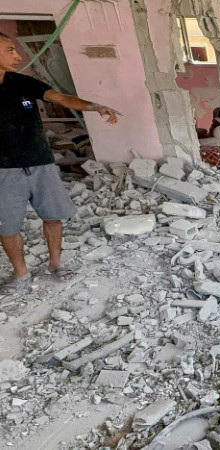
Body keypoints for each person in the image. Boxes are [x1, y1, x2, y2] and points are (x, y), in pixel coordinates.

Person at [0, 32, 121, 294]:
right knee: (7, 227)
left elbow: (63, 99)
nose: (17, 55)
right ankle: (20, 275)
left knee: (53, 217)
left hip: (41, 163)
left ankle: (55, 265)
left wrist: (95, 106)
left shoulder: (22, 83)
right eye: (10, 50)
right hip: (4, 171)